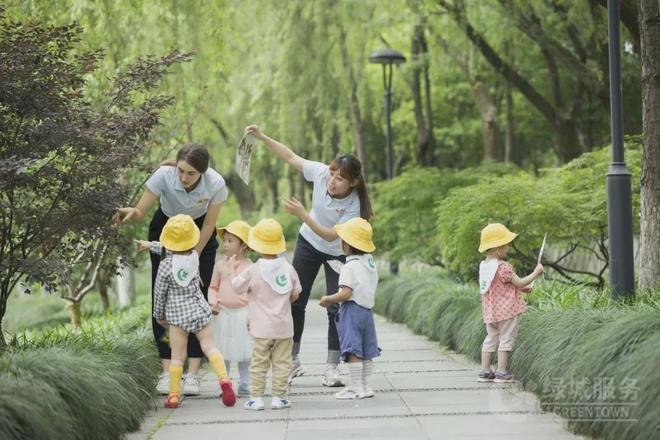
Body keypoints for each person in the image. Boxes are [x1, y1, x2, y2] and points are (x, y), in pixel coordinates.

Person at [245, 124, 373, 388]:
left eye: (339, 178)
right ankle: (291, 360)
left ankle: (332, 367)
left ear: (353, 183)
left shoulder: (354, 206)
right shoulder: (320, 174)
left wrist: (303, 214)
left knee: (336, 307)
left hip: (337, 252)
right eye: (332, 172)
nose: (332, 180)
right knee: (294, 300)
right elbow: (291, 157)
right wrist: (262, 137)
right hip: (308, 243)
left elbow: (330, 236)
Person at [117, 143, 227, 395]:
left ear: (203, 172)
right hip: (166, 230)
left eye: (191, 174)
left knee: (199, 299)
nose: (184, 178)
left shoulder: (216, 183)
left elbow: (210, 225)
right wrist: (129, 212)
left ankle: (193, 375)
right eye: (181, 171)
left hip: (199, 234)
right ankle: (167, 372)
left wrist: (194, 259)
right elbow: (140, 211)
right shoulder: (164, 176)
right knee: (164, 300)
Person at [137, 214, 236, 409]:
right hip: (199, 311)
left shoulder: (165, 266)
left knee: (177, 357)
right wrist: (150, 245)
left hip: (177, 317)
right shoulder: (193, 257)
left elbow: (159, 293)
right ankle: (224, 380)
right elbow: (172, 250)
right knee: (210, 347)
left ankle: (173, 395)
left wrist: (158, 315)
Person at [228, 218, 302, 410]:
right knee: (282, 365)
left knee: (259, 365)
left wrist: (231, 271)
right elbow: (296, 294)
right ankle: (279, 398)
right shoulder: (288, 268)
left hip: (260, 329)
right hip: (284, 328)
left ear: (257, 246)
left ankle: (257, 398)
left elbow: (236, 288)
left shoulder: (253, 270)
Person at [319, 217, 380, 400]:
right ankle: (366, 386)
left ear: (348, 243)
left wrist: (328, 299)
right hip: (367, 312)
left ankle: (355, 387)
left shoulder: (349, 267)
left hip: (352, 311)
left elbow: (346, 293)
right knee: (366, 349)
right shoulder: (369, 262)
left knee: (353, 350)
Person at [477, 223, 543, 383]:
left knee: (491, 338)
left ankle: (485, 371)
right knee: (506, 338)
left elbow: (500, 286)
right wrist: (536, 273)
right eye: (505, 244)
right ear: (497, 247)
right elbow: (518, 282)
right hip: (506, 311)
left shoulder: (484, 266)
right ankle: (501, 372)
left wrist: (522, 288)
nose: (508, 247)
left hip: (490, 312)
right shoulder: (503, 267)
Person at [208, 220, 253, 397]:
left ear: (243, 246)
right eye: (224, 240)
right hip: (223, 314)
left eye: (230, 241)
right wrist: (213, 301)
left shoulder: (250, 267)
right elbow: (213, 287)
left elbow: (253, 293)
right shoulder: (220, 265)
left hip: (243, 314)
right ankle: (224, 381)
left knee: (245, 352)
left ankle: (245, 383)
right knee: (223, 350)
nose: (225, 244)